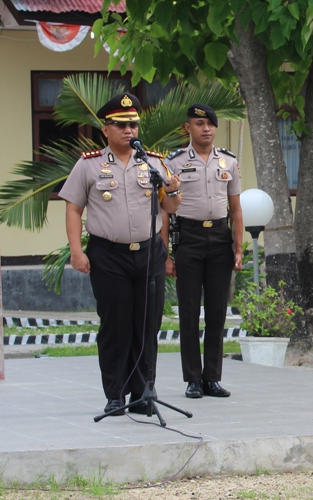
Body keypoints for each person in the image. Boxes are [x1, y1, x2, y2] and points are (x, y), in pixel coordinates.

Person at [60, 93, 181, 415]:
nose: (130, 131)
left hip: (148, 253)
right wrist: (76, 251)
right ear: (106, 129)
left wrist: (173, 190)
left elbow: (169, 207)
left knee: (146, 324)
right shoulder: (89, 165)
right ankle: (115, 395)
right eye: (122, 125)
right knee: (115, 326)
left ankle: (143, 394)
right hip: (108, 254)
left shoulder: (153, 162)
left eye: (134, 125)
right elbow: (73, 209)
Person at [164, 104, 243, 399]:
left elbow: (235, 208)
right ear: (188, 128)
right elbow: (165, 213)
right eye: (199, 123)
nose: (206, 128)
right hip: (189, 237)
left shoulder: (228, 162)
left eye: (210, 123)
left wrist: (238, 247)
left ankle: (212, 378)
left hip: (220, 238)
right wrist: (165, 254)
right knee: (188, 312)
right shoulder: (174, 162)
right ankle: (193, 379)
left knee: (216, 313)